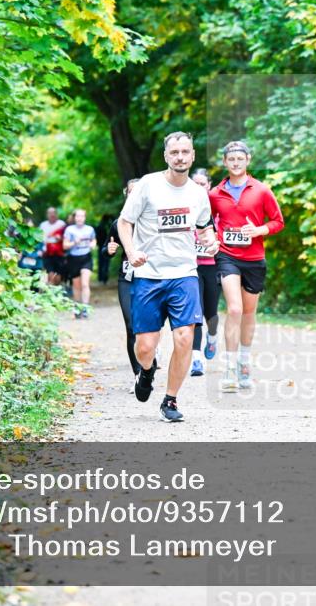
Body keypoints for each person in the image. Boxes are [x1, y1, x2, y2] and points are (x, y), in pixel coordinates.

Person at [117, 131, 219, 422]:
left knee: (185, 337)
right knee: (145, 347)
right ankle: (147, 370)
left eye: (185, 152)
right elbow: (124, 222)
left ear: (193, 155)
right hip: (148, 275)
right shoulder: (148, 185)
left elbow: (205, 228)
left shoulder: (198, 193)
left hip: (184, 274)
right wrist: (131, 251)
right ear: (166, 156)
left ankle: (170, 400)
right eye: (174, 152)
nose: (180, 157)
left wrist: (211, 241)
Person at [209, 141, 284, 389]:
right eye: (231, 159)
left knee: (249, 313)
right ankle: (229, 369)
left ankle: (244, 363)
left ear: (248, 160)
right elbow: (205, 221)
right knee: (234, 310)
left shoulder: (261, 190)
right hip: (227, 256)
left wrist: (259, 230)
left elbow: (278, 221)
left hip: (254, 259)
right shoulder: (215, 194)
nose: (236, 163)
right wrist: (212, 238)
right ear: (225, 162)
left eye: (240, 159)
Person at [104, 180, 143, 375]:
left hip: (150, 279)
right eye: (130, 192)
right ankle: (138, 374)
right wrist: (109, 250)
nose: (134, 196)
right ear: (126, 194)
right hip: (126, 278)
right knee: (130, 325)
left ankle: (149, 358)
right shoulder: (118, 224)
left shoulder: (153, 221)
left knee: (148, 326)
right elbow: (105, 249)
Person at [190, 168, 221, 376]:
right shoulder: (185, 206)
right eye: (196, 183)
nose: (199, 187)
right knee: (196, 312)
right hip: (192, 267)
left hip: (213, 267)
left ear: (209, 185)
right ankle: (196, 359)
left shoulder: (217, 208)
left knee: (211, 313)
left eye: (203, 184)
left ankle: (212, 336)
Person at [64, 209, 97, 318]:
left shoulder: (90, 229)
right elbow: (65, 245)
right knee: (77, 286)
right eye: (77, 216)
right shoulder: (69, 229)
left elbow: (93, 240)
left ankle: (85, 308)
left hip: (86, 257)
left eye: (82, 216)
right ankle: (78, 308)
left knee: (85, 284)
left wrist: (93, 244)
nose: (79, 218)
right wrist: (74, 242)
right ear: (74, 218)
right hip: (73, 259)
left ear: (85, 218)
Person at [38, 207, 67, 287]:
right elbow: (39, 239)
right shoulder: (42, 225)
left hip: (59, 253)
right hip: (47, 253)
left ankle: (56, 289)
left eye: (53, 213)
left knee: (58, 277)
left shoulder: (61, 224)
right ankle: (51, 290)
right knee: (50, 274)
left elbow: (67, 237)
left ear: (56, 214)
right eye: (50, 213)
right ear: (47, 214)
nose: (52, 215)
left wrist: (60, 238)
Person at [95, 214, 113, 285]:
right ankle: (104, 278)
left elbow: (97, 237)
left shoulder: (100, 226)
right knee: (106, 263)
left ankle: (101, 278)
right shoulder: (109, 226)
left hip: (101, 246)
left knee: (101, 262)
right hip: (107, 246)